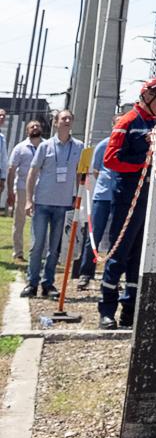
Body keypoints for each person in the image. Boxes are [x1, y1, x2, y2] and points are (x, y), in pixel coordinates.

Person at [99, 78, 156, 328]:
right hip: (127, 196)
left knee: (138, 257)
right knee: (119, 254)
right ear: (147, 97)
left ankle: (130, 309)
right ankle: (107, 309)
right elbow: (111, 159)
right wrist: (143, 158)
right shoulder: (128, 121)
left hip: (148, 197)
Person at [23, 109, 83, 298]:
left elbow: (80, 175)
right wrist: (28, 200)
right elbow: (32, 174)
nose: (66, 121)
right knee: (37, 245)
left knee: (54, 248)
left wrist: (77, 200)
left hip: (64, 205)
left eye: (69, 118)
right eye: (63, 118)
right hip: (42, 203)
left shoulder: (79, 147)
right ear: (56, 123)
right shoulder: (45, 146)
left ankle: (48, 283)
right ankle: (31, 283)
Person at [76, 115, 122, 289]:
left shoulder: (127, 145)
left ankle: (111, 277)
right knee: (94, 236)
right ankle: (86, 273)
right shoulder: (104, 145)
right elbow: (95, 170)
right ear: (113, 126)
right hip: (102, 197)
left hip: (120, 197)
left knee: (116, 238)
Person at [7, 120, 43, 264]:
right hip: (22, 188)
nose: (35, 128)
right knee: (19, 221)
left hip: (41, 189)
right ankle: (18, 252)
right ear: (27, 131)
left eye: (38, 126)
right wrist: (10, 190)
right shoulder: (20, 148)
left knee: (41, 222)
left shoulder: (46, 146)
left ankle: (39, 253)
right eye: (32, 126)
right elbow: (11, 170)